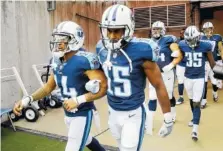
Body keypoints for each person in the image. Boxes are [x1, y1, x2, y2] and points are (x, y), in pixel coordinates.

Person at [13, 21, 107, 151]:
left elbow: (103, 87)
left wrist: (78, 100)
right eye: (56, 38)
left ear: (75, 40)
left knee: (73, 146)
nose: (58, 42)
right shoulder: (57, 60)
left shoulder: (85, 60)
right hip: (68, 113)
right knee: (86, 139)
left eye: (62, 39)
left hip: (83, 113)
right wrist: (27, 99)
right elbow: (48, 87)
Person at [96, 4, 173, 151]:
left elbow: (158, 85)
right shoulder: (101, 48)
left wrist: (168, 118)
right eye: (109, 31)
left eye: (117, 31)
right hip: (112, 110)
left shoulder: (141, 50)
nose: (112, 36)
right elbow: (103, 74)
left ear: (128, 28)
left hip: (133, 113)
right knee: (120, 146)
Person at [179, 25, 216, 141]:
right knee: (191, 100)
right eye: (188, 40)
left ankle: (195, 129)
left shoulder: (205, 46)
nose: (191, 42)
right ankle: (194, 117)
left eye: (193, 39)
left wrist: (221, 74)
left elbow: (212, 63)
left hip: (200, 77)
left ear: (198, 37)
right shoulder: (182, 44)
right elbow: (180, 57)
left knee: (196, 102)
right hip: (187, 77)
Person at [146, 21, 182, 135]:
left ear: (163, 30)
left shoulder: (168, 40)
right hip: (153, 72)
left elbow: (178, 53)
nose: (155, 31)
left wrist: (171, 64)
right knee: (152, 97)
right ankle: (149, 122)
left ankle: (172, 115)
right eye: (154, 29)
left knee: (169, 95)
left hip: (167, 73)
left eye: (158, 29)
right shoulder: (149, 42)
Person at [176, 28, 187, 105]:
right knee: (180, 81)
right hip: (180, 65)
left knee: (191, 81)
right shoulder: (178, 42)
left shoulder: (191, 42)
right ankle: (181, 97)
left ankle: (194, 98)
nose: (181, 35)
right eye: (180, 33)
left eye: (183, 33)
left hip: (189, 65)